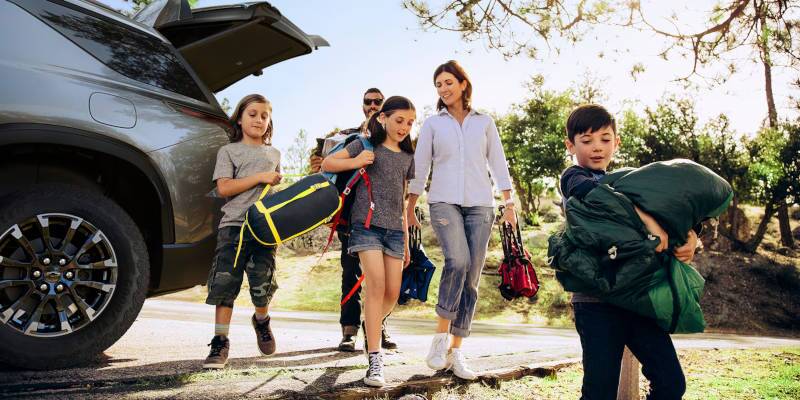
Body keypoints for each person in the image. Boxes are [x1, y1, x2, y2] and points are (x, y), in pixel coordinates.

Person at [560, 104, 696, 399]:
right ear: (570, 145)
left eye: (605, 139)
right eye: (587, 141)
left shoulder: (626, 183)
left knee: (671, 383)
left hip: (638, 300)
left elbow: (672, 210)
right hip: (596, 303)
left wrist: (690, 235)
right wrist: (647, 221)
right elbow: (597, 198)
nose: (597, 148)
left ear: (617, 142)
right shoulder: (573, 178)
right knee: (600, 393)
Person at [407, 60, 516, 380]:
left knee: (471, 278)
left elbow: (498, 163)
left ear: (463, 84)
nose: (443, 88)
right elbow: (420, 165)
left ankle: (456, 353)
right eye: (438, 84)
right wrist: (410, 205)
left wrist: (508, 202)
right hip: (443, 202)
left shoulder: (484, 122)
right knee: (457, 261)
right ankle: (439, 340)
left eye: (448, 82)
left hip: (481, 206)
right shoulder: (432, 124)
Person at [321, 96, 416, 387]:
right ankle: (375, 359)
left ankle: (370, 324)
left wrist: (407, 242)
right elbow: (328, 162)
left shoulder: (407, 157)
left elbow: (401, 201)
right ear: (383, 118)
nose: (404, 127)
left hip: (394, 232)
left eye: (410, 123)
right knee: (375, 284)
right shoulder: (364, 144)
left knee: (392, 292)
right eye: (399, 120)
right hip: (365, 228)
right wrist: (356, 161)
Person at [309, 88, 398, 352]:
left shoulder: (394, 137)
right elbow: (326, 165)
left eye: (377, 101)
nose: (372, 105)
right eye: (367, 101)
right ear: (363, 106)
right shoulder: (347, 136)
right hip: (350, 215)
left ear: (384, 107)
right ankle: (349, 331)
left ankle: (378, 329)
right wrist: (319, 163)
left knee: (379, 278)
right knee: (351, 272)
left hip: (383, 218)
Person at [202, 94, 283, 369]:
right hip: (233, 226)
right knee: (225, 285)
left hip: (264, 230)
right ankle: (220, 341)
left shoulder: (274, 154)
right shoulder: (229, 152)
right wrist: (260, 177)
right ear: (240, 117)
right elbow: (224, 188)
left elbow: (274, 192)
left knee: (263, 286)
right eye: (253, 114)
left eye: (264, 115)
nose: (259, 120)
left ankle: (262, 320)